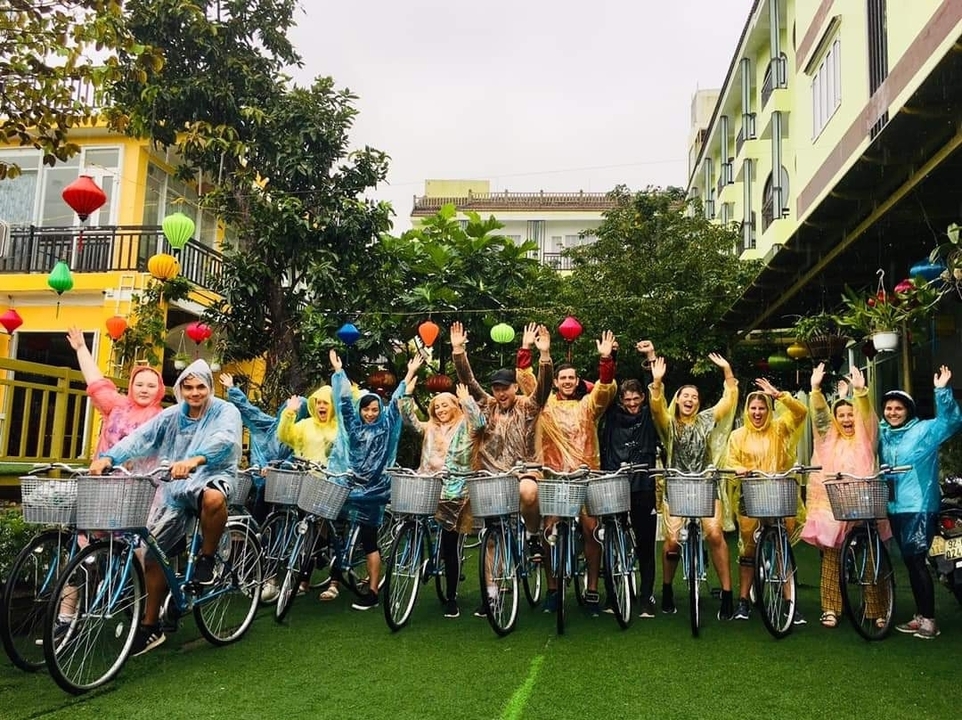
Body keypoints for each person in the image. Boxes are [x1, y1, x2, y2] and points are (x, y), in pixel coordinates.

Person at [88, 359, 242, 656]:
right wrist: (109, 457)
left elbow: (224, 441)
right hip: (175, 487)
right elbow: (140, 438)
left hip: (213, 475)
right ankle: (149, 626)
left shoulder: (225, 411)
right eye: (189, 386)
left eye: (201, 387)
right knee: (152, 554)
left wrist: (195, 460)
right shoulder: (171, 416)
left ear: (209, 388)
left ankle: (207, 560)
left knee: (212, 498)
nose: (195, 393)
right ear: (180, 388)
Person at [450, 320, 553, 617]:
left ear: (514, 387)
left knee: (529, 491)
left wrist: (544, 356)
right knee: (490, 538)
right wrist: (459, 352)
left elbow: (544, 387)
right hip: (492, 478)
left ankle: (533, 535)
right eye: (495, 388)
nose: (499, 393)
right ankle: (492, 595)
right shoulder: (487, 406)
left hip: (524, 472)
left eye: (504, 388)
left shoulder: (528, 406)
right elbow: (469, 383)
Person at [520, 329, 617, 615]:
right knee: (550, 530)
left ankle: (590, 590)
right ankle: (552, 589)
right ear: (555, 382)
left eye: (571, 378)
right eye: (562, 378)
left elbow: (604, 387)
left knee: (592, 531)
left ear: (577, 382)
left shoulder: (588, 406)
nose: (567, 381)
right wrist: (531, 349)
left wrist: (605, 358)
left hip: (585, 476)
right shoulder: (545, 405)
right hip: (554, 476)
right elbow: (526, 379)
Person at [328, 349, 421, 610]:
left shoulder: (386, 424)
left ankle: (372, 591)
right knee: (338, 528)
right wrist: (339, 372)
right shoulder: (353, 425)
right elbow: (344, 403)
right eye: (366, 409)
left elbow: (396, 402)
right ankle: (336, 576)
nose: (370, 413)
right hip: (352, 487)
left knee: (370, 540)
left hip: (374, 492)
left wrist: (410, 373)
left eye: (373, 409)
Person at [649, 352, 738, 620]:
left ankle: (727, 594)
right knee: (672, 542)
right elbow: (656, 407)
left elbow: (729, 400)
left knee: (714, 534)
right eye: (685, 396)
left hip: (706, 486)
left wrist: (727, 371)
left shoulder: (707, 419)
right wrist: (657, 382)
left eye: (694, 397)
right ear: (677, 400)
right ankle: (666, 588)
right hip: (677, 487)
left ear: (699, 403)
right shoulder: (669, 423)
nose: (689, 400)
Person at [879, 366, 962, 640]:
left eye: (898, 408)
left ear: (909, 411)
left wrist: (942, 391)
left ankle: (929, 620)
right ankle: (921, 615)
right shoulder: (884, 434)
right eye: (888, 408)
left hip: (919, 506)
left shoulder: (924, 430)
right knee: (910, 561)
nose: (892, 412)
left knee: (916, 560)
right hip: (894, 507)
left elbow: (950, 421)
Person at [801, 363, 879, 628]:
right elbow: (820, 416)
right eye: (842, 415)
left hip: (863, 502)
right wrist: (814, 389)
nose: (847, 419)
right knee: (832, 555)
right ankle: (831, 608)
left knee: (870, 555)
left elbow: (867, 416)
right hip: (832, 505)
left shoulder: (865, 437)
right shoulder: (828, 439)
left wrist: (860, 393)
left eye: (850, 415)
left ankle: (875, 608)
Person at [399, 379, 485, 618]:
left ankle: (451, 596)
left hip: (456, 491)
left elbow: (480, 423)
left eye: (445, 405)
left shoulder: (465, 425)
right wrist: (408, 392)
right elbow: (409, 421)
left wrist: (467, 400)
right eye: (437, 406)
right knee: (415, 521)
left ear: (455, 407)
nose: (441, 410)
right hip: (428, 487)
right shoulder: (430, 427)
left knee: (450, 543)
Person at [726, 377, 807, 622]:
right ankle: (743, 601)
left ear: (768, 409)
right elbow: (729, 461)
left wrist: (778, 394)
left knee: (783, 547)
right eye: (753, 408)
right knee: (748, 549)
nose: (758, 412)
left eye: (762, 408)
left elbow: (801, 412)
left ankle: (789, 602)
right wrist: (738, 468)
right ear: (747, 410)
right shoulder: (738, 435)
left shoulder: (780, 427)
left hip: (779, 493)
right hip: (751, 495)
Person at [599, 340, 660, 618]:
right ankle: (612, 597)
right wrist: (612, 355)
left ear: (642, 400)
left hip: (643, 486)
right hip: (614, 485)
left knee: (646, 543)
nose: (633, 404)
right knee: (611, 540)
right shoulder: (611, 415)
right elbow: (607, 385)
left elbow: (654, 386)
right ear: (621, 401)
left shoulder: (650, 416)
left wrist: (650, 356)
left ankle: (646, 596)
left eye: (637, 399)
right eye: (628, 400)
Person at [66, 326, 166, 472]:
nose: (144, 390)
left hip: (141, 482)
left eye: (151, 386)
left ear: (159, 390)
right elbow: (96, 382)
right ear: (131, 386)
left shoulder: (162, 417)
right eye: (139, 385)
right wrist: (81, 349)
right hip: (105, 476)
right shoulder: (117, 405)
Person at [220, 373, 308, 520]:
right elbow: (251, 411)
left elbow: (299, 458)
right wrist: (232, 388)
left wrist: (278, 468)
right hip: (260, 478)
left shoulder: (303, 433)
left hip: (286, 484)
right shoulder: (271, 425)